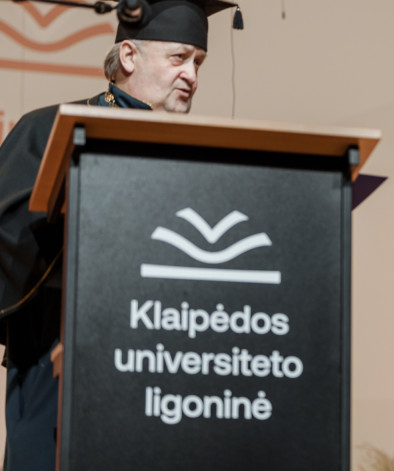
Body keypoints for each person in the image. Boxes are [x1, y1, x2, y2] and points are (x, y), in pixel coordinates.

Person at [0, 1, 239, 469]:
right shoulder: (51, 128)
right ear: (129, 56)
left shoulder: (198, 151)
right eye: (179, 57)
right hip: (57, 355)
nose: (192, 75)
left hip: (169, 364)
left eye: (199, 62)